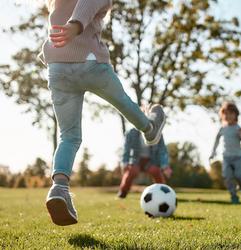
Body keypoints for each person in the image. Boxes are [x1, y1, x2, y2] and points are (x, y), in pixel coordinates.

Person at [43, 0, 166, 226]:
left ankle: (59, 188)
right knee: (124, 103)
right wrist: (76, 25)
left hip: (57, 68)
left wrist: (70, 27)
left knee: (68, 136)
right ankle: (149, 129)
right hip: (91, 63)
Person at [210, 102, 241, 204]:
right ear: (222, 115)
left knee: (239, 176)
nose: (228, 116)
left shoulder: (238, 128)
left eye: (231, 113)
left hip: (238, 157)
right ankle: (233, 196)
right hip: (226, 157)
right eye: (225, 114)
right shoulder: (223, 128)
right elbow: (216, 140)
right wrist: (213, 152)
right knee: (227, 177)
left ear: (236, 115)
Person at [117, 128, 172, 198]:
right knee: (132, 171)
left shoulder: (157, 133)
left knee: (155, 171)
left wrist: (165, 166)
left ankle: (163, 194)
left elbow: (162, 150)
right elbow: (126, 148)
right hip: (136, 160)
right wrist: (125, 163)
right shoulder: (131, 132)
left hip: (151, 160)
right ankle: (123, 192)